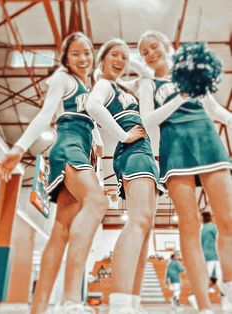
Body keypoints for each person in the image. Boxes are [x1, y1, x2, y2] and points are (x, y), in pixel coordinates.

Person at [0, 32, 109, 314]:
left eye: (87, 52)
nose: (83, 58)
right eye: (75, 54)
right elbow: (46, 114)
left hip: (82, 148)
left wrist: (97, 139)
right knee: (96, 201)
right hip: (67, 145)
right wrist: (19, 148)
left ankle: (38, 308)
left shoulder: (89, 86)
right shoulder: (63, 79)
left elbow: (90, 121)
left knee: (60, 230)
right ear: (65, 58)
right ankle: (71, 299)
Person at [137, 30, 232, 314]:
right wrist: (180, 98)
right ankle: (203, 304)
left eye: (153, 46)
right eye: (144, 52)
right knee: (189, 225)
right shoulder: (148, 83)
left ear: (168, 45)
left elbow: (214, 109)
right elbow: (147, 120)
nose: (150, 54)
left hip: (207, 139)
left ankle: (228, 290)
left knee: (228, 221)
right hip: (174, 145)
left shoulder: (190, 73)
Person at [85, 38, 165, 314]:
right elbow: (93, 107)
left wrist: (127, 58)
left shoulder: (124, 87)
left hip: (145, 150)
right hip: (132, 150)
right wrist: (122, 136)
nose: (120, 61)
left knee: (146, 228)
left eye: (124, 57)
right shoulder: (105, 85)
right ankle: (119, 303)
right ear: (102, 59)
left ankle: (131, 301)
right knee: (139, 222)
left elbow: (149, 74)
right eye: (114, 56)